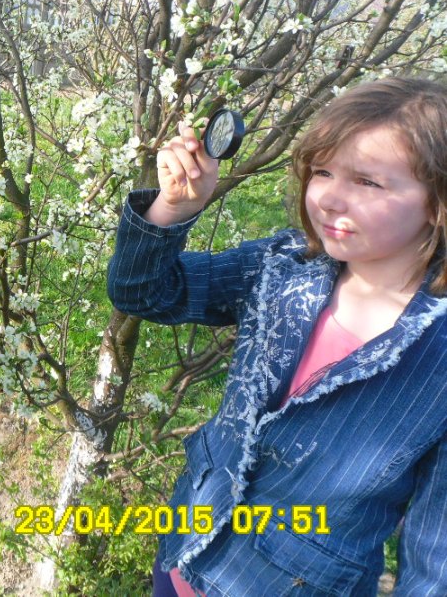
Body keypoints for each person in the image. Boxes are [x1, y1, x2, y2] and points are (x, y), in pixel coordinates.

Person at [108, 77, 447, 596]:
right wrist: (172, 211)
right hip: (183, 555)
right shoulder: (285, 266)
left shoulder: (437, 354)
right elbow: (145, 292)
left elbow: (433, 563)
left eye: (368, 182)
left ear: (435, 202)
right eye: (323, 171)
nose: (331, 197)